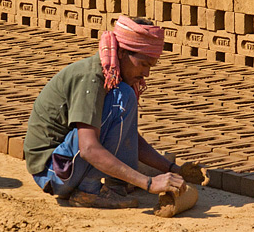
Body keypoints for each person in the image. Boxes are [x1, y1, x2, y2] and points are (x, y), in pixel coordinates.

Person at [24, 15, 203, 208]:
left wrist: (174, 169)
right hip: (53, 172)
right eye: (143, 64)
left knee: (124, 96)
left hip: (67, 164)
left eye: (151, 66)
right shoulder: (91, 78)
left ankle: (117, 186)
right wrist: (148, 183)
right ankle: (87, 190)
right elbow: (89, 148)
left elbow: (129, 138)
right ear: (122, 53)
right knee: (121, 99)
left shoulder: (112, 78)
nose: (146, 74)